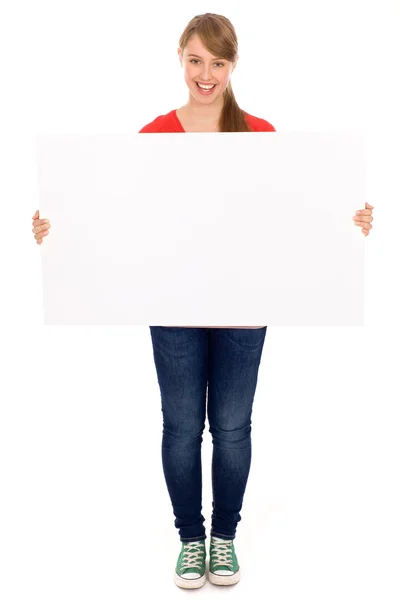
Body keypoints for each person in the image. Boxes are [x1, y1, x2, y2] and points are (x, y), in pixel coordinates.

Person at [32, 12, 374, 590]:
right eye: (196, 61)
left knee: (233, 427)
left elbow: (292, 215)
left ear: (233, 65)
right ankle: (191, 539)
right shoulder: (156, 135)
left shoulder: (259, 133)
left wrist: (348, 224)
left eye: (218, 62)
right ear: (181, 60)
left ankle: (225, 539)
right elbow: (118, 217)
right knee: (182, 427)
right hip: (173, 308)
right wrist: (58, 230)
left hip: (245, 309)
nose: (206, 74)